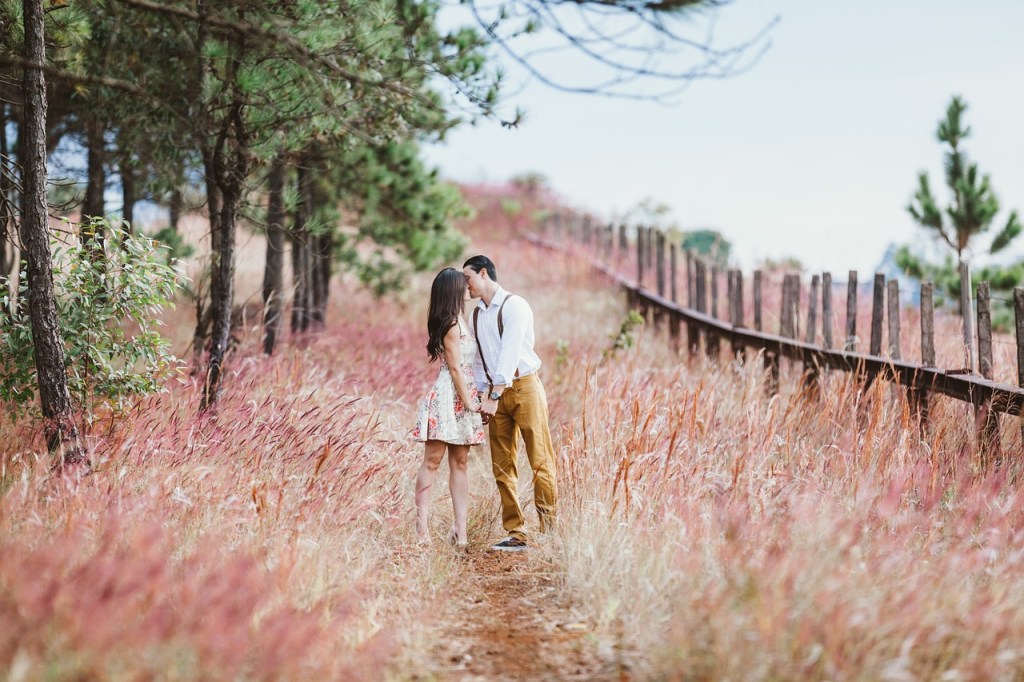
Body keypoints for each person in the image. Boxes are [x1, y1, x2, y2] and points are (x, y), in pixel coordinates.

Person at [463, 255, 557, 552]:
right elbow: (478, 360)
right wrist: (482, 395)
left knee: (540, 459)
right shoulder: (475, 315)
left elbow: (509, 352)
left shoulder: (515, 305)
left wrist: (493, 395)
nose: (465, 285)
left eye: (468, 278)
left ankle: (549, 531)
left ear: (483, 273)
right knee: (502, 464)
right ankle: (517, 533)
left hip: (524, 387)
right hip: (494, 395)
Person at [412, 267, 486, 547]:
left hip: (463, 395)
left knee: (461, 463)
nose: (468, 287)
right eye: (463, 284)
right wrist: (470, 403)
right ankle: (422, 532)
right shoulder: (451, 325)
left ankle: (460, 530)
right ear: (453, 290)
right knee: (432, 461)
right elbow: (454, 367)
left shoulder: (462, 320)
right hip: (448, 397)